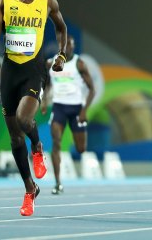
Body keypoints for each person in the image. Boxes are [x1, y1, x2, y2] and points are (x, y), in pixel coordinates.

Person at [0, 0, 68, 216]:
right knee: (13, 136)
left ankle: (37, 146)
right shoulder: (4, 0)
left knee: (24, 119)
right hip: (9, 70)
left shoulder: (47, 2)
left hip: (34, 69)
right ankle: (29, 188)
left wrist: (62, 55)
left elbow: (62, 29)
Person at [41, 35, 95, 195]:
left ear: (73, 47)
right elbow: (47, 85)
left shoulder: (79, 64)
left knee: (81, 148)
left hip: (77, 108)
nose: (68, 48)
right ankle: (58, 183)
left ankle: (61, 179)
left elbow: (92, 89)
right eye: (65, 46)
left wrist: (84, 110)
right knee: (56, 143)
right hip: (59, 107)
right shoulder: (50, 63)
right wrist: (44, 102)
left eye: (71, 46)